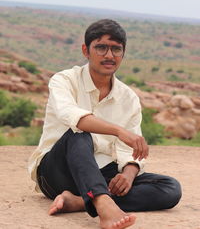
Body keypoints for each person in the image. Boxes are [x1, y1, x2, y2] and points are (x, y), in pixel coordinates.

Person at [28, 19, 182, 229]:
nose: (109, 55)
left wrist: (128, 173)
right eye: (101, 47)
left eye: (116, 49)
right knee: (80, 134)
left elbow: (129, 151)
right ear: (86, 50)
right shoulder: (64, 80)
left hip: (100, 173)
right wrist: (119, 131)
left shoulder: (128, 98)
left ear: (123, 53)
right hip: (57, 172)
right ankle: (103, 205)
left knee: (169, 188)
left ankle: (80, 201)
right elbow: (72, 116)